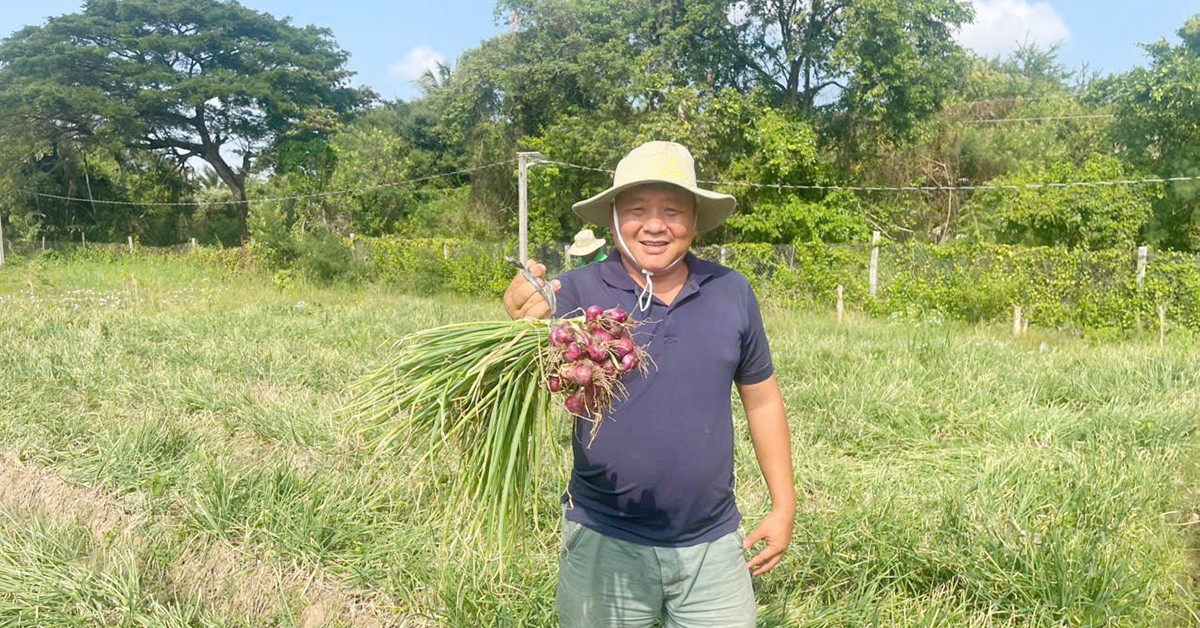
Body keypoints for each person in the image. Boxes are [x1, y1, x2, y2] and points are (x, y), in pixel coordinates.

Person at [503, 141, 795, 628]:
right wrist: (521, 307)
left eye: (673, 211)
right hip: (603, 536)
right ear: (613, 218)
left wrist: (784, 505)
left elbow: (762, 400)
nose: (655, 225)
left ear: (695, 221)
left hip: (713, 541)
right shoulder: (579, 291)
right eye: (637, 210)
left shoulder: (732, 291)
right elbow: (528, 321)